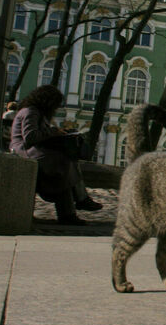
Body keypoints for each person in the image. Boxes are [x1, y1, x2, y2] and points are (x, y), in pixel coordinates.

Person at [10, 85, 102, 225]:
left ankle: (75, 207)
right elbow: (30, 137)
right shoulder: (31, 112)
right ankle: (78, 203)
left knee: (65, 164)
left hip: (33, 151)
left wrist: (58, 132)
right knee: (63, 163)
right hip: (25, 151)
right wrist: (54, 132)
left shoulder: (36, 113)